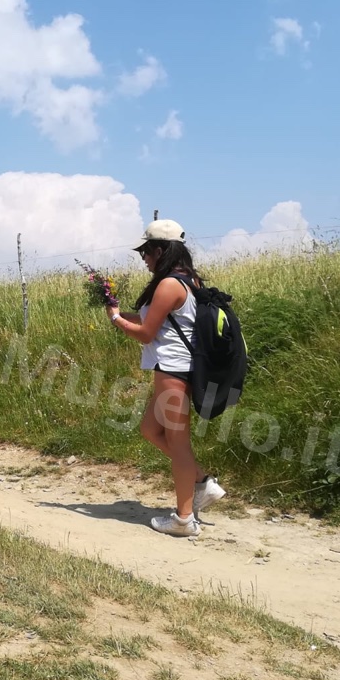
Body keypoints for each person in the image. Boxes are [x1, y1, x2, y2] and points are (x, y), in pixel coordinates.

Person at [104, 219, 226, 537]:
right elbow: (158, 320)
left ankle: (184, 519)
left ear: (160, 250)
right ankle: (202, 482)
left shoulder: (169, 284)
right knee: (149, 429)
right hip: (176, 368)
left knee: (178, 444)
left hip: (174, 370)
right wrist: (120, 313)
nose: (143, 258)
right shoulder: (188, 280)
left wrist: (116, 320)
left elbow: (146, 333)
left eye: (145, 251)